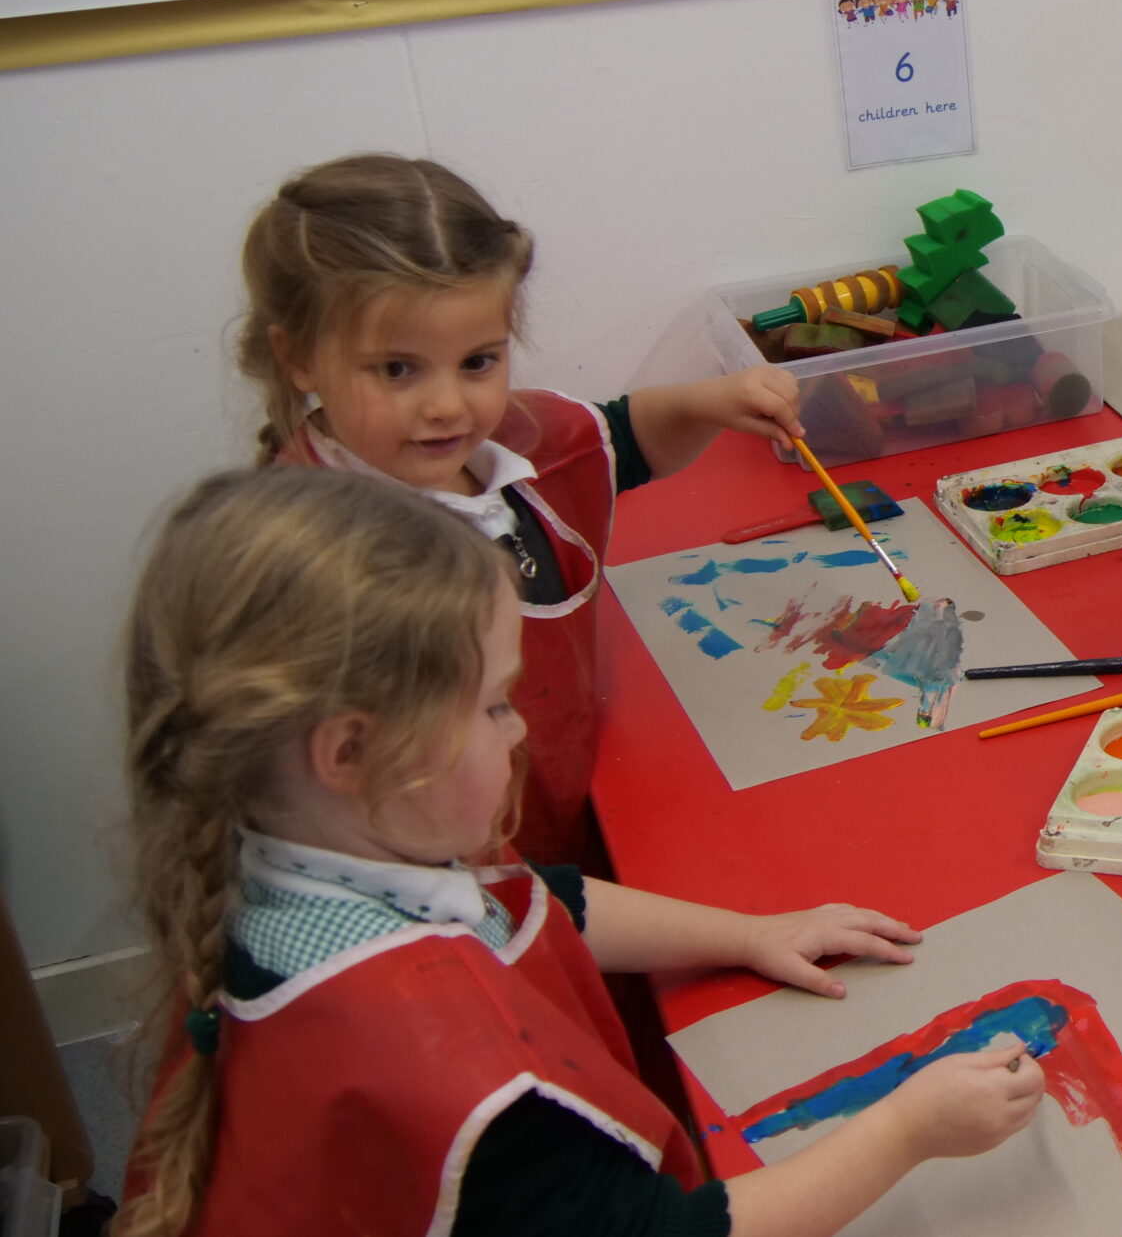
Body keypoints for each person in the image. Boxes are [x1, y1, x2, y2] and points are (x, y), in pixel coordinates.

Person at [116, 465, 1044, 1237]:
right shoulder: (472, 1090)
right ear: (351, 753)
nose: (519, 729)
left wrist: (751, 933)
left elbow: (535, 901)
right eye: (493, 705)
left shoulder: (292, 849)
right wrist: (907, 1130)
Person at [238, 154, 804, 867]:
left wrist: (708, 402)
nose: (447, 406)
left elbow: (620, 438)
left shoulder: (514, 438)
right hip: (458, 880)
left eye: (478, 361)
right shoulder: (313, 568)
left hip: (575, 820)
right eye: (397, 369)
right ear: (299, 359)